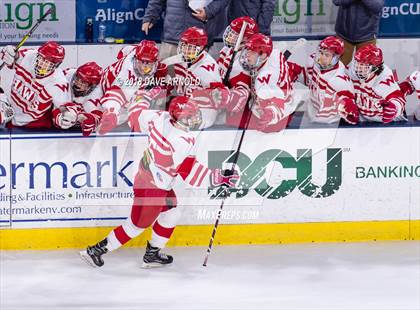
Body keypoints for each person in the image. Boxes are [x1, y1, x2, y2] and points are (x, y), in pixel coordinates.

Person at [80, 96, 239, 268]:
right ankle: (95, 250)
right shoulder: (182, 140)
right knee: (136, 226)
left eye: (194, 115)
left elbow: (136, 116)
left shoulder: (159, 117)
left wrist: (143, 97)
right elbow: (188, 172)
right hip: (154, 188)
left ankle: (152, 253)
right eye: (189, 116)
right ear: (178, 117)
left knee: (172, 211)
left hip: (147, 177)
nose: (194, 119)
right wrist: (218, 177)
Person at [225, 33, 301, 132]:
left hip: (277, 119)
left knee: (230, 119)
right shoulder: (274, 53)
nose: (247, 54)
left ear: (264, 55)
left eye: (252, 52)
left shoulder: (264, 80)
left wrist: (270, 113)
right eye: (248, 50)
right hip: (285, 93)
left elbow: (278, 102)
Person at [98, 40, 169, 134]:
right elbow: (115, 95)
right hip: (104, 93)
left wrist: (160, 82)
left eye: (148, 63)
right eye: (142, 62)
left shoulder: (135, 50)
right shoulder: (127, 74)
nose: (144, 67)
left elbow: (123, 51)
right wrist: (112, 112)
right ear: (135, 59)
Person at [0, 41, 74, 129]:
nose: (42, 64)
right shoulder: (29, 56)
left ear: (56, 65)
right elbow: (12, 60)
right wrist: (9, 53)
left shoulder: (58, 83)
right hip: (13, 118)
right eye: (42, 59)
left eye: (48, 63)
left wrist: (67, 115)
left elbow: (65, 108)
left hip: (35, 126)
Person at [294, 36, 359, 124]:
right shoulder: (313, 62)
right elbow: (308, 80)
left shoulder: (340, 80)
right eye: (321, 52)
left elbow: (349, 107)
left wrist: (347, 108)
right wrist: (292, 71)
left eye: (327, 55)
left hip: (329, 124)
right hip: (309, 115)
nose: (322, 57)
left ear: (336, 58)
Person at [173, 27, 229, 129]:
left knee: (178, 126)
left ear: (201, 48)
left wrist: (220, 93)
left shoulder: (206, 68)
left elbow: (220, 94)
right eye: (184, 45)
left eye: (190, 47)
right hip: (187, 106)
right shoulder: (183, 59)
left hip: (204, 111)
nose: (185, 50)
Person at [141, 0, 230, 59]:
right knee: (167, 80)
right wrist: (150, 16)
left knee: (196, 82)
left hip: (198, 41)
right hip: (171, 37)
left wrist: (209, 11)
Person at [349, 44, 406, 123]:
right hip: (365, 121)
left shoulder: (383, 78)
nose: (358, 67)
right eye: (357, 63)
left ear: (374, 67)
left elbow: (398, 98)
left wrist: (394, 108)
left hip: (388, 123)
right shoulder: (353, 72)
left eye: (362, 64)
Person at [333, 0, 384, 66]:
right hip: (344, 34)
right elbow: (336, 1)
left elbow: (377, 6)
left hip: (367, 36)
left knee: (365, 70)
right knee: (340, 69)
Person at [63, 62, 104, 136]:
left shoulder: (96, 95)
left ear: (92, 86)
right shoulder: (68, 74)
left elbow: (96, 118)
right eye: (77, 78)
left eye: (83, 82)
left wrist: (87, 119)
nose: (77, 83)